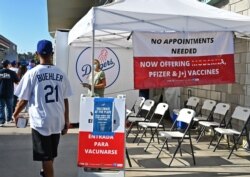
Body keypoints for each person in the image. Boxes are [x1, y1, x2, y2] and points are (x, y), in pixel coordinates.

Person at [13, 40, 73, 177]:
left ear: (36, 54)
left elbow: (23, 99)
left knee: (45, 157)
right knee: (50, 154)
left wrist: (15, 113)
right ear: (52, 53)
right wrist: (66, 119)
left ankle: (47, 172)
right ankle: (45, 172)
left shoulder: (31, 73)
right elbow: (65, 99)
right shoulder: (61, 73)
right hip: (57, 119)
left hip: (41, 121)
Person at [0, 60, 19, 126]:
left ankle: (1, 121)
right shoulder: (12, 72)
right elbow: (17, 81)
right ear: (8, 65)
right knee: (9, 106)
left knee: (1, 107)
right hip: (9, 92)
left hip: (0, 92)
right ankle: (9, 119)